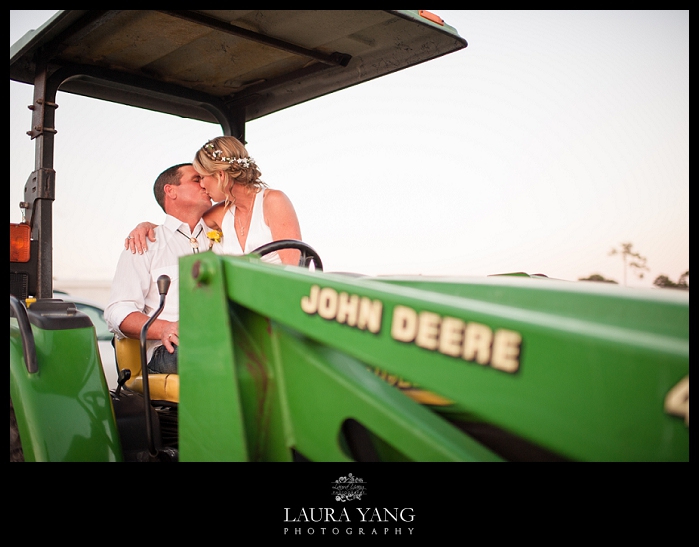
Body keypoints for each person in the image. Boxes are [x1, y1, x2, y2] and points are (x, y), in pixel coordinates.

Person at [125, 136, 302, 265]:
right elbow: (183, 228)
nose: (201, 184)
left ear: (220, 175)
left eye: (202, 177)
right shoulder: (221, 213)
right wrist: (147, 226)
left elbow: (293, 270)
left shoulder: (273, 201)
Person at [105, 163, 212, 374]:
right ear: (170, 191)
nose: (205, 184)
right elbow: (118, 310)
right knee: (213, 353)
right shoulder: (144, 244)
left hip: (219, 339)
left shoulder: (221, 237)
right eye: (196, 179)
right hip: (170, 349)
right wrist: (166, 328)